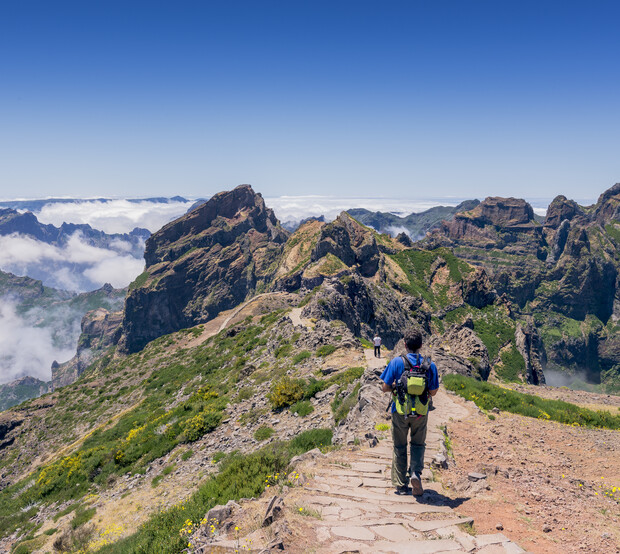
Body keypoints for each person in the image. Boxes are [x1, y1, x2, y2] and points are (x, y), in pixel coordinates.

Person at [380, 327, 439, 496]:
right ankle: (415, 473)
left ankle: (400, 484)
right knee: (418, 444)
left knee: (399, 446)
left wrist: (395, 386)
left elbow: (384, 387)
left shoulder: (396, 362)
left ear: (405, 345)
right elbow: (434, 391)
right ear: (421, 345)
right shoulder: (429, 365)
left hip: (400, 410)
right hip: (421, 412)